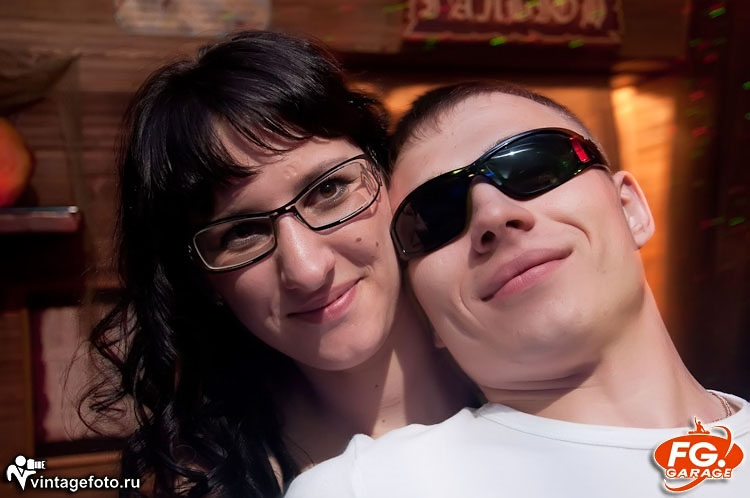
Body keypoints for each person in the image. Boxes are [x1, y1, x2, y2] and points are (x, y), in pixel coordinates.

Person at [286, 82, 750, 497]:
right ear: (426, 314)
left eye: (534, 166)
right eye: (436, 218)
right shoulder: (370, 487)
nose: (493, 214)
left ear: (630, 209)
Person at [81, 32, 471, 497]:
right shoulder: (207, 483)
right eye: (240, 232)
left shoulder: (532, 370)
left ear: (388, 177)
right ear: (203, 281)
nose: (306, 270)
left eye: (328, 190)